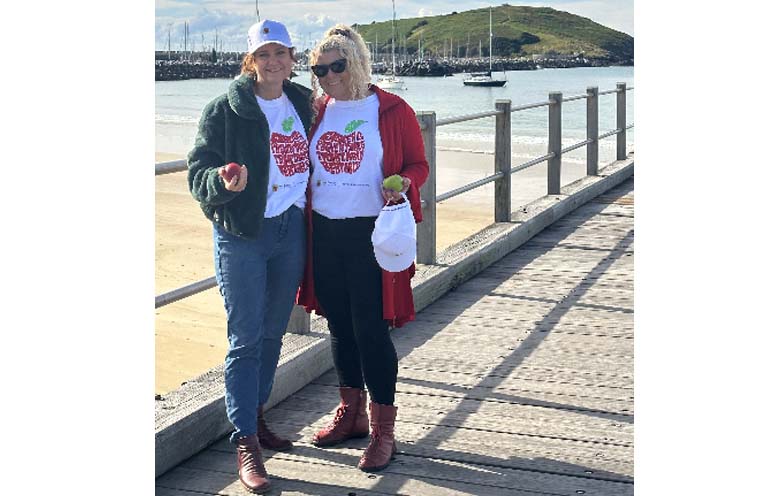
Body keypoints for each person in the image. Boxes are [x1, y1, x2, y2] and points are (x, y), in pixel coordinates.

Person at [187, 19, 312, 494]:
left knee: (273, 332)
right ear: (251, 60)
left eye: (280, 53)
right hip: (242, 234)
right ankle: (245, 442)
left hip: (290, 230)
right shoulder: (225, 109)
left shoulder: (304, 102)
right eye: (264, 54)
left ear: (292, 58)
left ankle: (256, 417)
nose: (273, 61)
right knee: (244, 339)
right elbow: (198, 172)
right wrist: (222, 182)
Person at [301, 24, 429, 473]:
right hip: (324, 232)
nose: (329, 76)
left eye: (337, 66)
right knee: (339, 325)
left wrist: (406, 182)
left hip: (371, 235)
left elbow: (418, 163)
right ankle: (351, 415)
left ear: (356, 63)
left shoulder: (392, 108)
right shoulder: (317, 109)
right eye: (319, 69)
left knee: (371, 329)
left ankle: (382, 431)